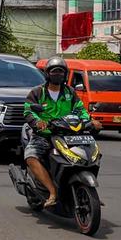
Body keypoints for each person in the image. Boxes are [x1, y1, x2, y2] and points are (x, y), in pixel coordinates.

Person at [23, 56, 96, 208]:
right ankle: (52, 192)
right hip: (45, 134)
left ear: (65, 75)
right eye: (54, 72)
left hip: (70, 134)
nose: (58, 75)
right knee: (31, 157)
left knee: (90, 155)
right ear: (48, 74)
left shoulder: (70, 92)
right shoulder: (37, 92)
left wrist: (89, 120)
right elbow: (29, 110)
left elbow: (80, 110)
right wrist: (38, 122)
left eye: (61, 72)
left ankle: (87, 190)